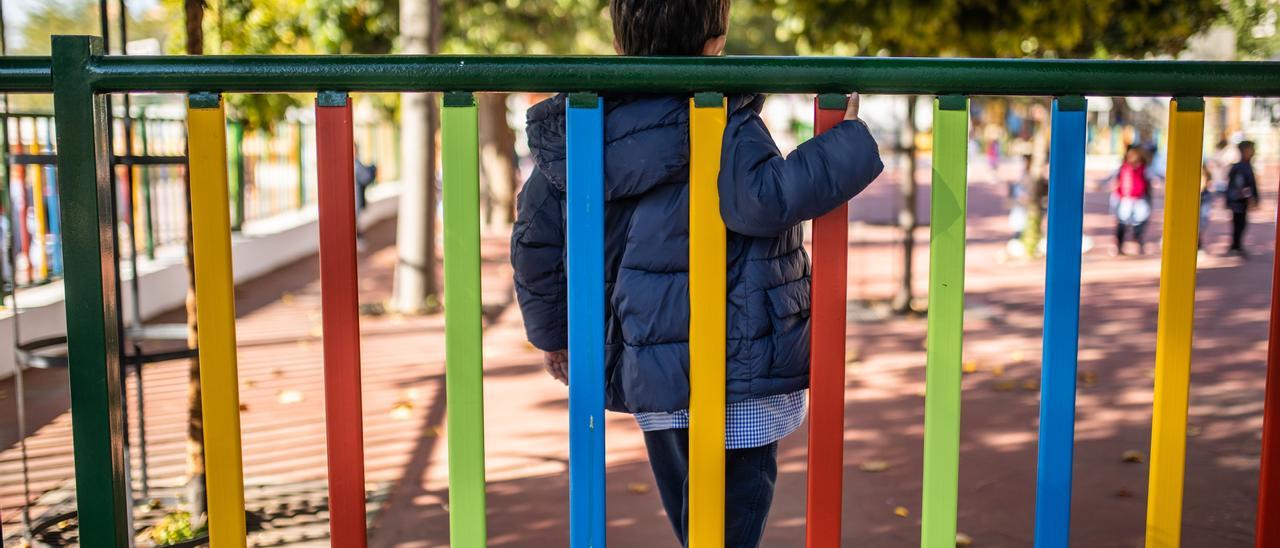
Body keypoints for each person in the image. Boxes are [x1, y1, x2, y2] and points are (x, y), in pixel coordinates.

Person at [510, 1, 884, 545]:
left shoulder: (584, 133)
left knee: (694, 517)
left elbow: (535, 240)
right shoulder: (721, 116)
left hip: (653, 371)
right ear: (716, 43)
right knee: (731, 526)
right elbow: (764, 200)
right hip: (739, 366)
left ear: (620, 45)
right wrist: (847, 142)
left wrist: (552, 334)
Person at [1109, 144, 1153, 255]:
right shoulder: (1123, 168)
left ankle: (1138, 240)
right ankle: (1119, 244)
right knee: (1122, 222)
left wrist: (1149, 197)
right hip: (1125, 199)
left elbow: (1149, 182)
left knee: (1140, 221)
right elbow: (1114, 179)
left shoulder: (1144, 168)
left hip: (1139, 199)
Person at [1225, 140, 1260, 257]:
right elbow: (1241, 185)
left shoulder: (1246, 166)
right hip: (1238, 201)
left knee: (1241, 223)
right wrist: (1250, 198)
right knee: (1239, 224)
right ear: (1245, 151)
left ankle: (1236, 245)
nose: (1254, 152)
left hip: (1239, 201)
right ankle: (1235, 246)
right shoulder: (1241, 167)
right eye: (1251, 149)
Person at [1200, 139, 1231, 250]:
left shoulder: (1207, 170)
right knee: (1200, 219)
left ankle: (1198, 240)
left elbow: (1209, 181)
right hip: (1201, 197)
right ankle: (1197, 241)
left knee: (1203, 219)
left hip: (1205, 196)